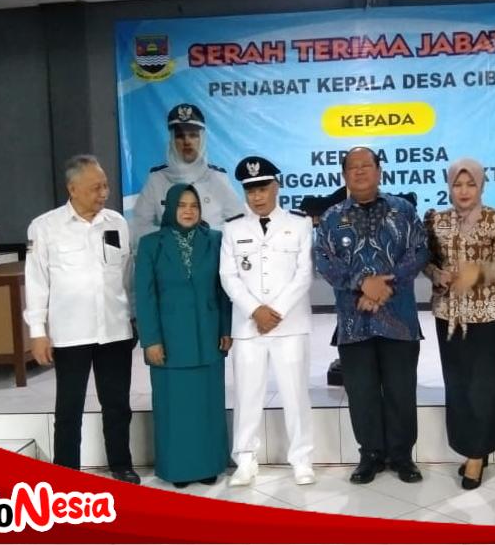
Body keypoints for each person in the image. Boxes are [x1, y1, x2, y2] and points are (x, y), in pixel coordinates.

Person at [314, 146, 428, 484]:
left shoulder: (403, 210)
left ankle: (402, 456)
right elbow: (324, 261)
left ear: (379, 171)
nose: (360, 171)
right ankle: (370, 456)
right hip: (354, 322)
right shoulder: (331, 217)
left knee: (401, 391)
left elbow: (419, 251)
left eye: (367, 165)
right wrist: (363, 284)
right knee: (361, 393)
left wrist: (384, 289)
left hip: (399, 320)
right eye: (353, 167)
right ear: (344, 175)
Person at [24, 155, 139, 484]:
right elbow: (37, 282)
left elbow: (126, 275)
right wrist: (38, 331)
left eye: (105, 186)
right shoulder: (45, 227)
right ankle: (66, 473)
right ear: (72, 189)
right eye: (94, 188)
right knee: (69, 407)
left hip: (114, 330)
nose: (103, 193)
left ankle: (121, 465)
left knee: (117, 404)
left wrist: (132, 318)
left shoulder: (117, 222)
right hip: (71, 333)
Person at [219, 155, 315, 487]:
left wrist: (275, 312)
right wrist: (255, 311)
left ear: (277, 186)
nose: (257, 196)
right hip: (249, 326)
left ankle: (301, 459)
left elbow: (304, 274)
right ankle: (245, 460)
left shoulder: (300, 224)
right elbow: (228, 276)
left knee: (295, 394)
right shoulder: (232, 228)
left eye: (262, 188)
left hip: (290, 325)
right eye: (250, 190)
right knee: (247, 395)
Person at [423, 157, 495, 490]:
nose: (463, 191)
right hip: (449, 314)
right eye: (457, 185)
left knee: (485, 385)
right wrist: (438, 274)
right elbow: (427, 261)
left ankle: (477, 454)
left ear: (481, 186)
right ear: (449, 187)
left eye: (470, 184)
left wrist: (476, 274)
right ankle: (473, 446)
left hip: (489, 314)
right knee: (459, 384)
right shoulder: (436, 221)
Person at [135, 183, 232, 488]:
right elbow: (144, 296)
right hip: (170, 342)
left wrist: (226, 329)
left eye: (194, 205)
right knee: (174, 408)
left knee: (207, 404)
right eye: (181, 205)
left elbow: (224, 290)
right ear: (170, 208)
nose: (188, 211)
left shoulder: (215, 240)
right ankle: (178, 469)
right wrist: (150, 340)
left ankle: (209, 465)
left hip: (208, 337)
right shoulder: (151, 244)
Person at [131, 103, 244, 249]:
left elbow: (240, 225)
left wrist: (206, 234)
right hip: (168, 255)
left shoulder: (217, 178)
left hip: (211, 255)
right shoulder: (157, 179)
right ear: (172, 140)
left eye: (193, 135)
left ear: (202, 139)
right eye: (180, 136)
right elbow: (138, 228)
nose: (187, 142)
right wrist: (172, 236)